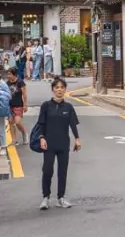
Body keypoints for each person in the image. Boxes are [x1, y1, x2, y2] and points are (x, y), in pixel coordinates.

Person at [38, 78, 81, 210]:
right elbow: (41, 124)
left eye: (62, 87)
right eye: (57, 87)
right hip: (49, 143)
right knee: (47, 170)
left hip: (63, 143)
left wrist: (77, 139)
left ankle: (61, 198)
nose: (59, 90)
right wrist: (42, 138)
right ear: (53, 90)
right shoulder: (46, 106)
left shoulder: (68, 107)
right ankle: (46, 198)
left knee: (62, 171)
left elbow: (73, 124)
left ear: (65, 90)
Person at [6, 67, 28, 145]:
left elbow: (24, 94)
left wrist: (25, 105)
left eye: (9, 74)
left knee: (17, 122)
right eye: (7, 74)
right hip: (9, 106)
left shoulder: (20, 82)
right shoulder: (7, 83)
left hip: (18, 105)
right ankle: (14, 140)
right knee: (11, 122)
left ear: (14, 74)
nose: (8, 76)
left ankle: (24, 133)